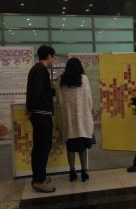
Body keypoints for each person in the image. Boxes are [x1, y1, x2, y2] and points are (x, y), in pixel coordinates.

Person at [57, 58, 93, 182]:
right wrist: (89, 110)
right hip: (82, 120)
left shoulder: (61, 81)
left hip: (69, 120)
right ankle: (84, 172)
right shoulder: (84, 79)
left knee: (70, 147)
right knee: (83, 147)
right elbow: (89, 99)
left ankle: (72, 172)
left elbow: (60, 102)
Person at [26, 45, 56, 193]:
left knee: (41, 147)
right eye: (53, 57)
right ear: (49, 56)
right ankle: (39, 180)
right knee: (42, 147)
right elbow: (36, 92)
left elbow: (42, 91)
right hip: (41, 115)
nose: (53, 60)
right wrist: (31, 110)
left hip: (39, 114)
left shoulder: (37, 69)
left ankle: (40, 176)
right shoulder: (41, 70)